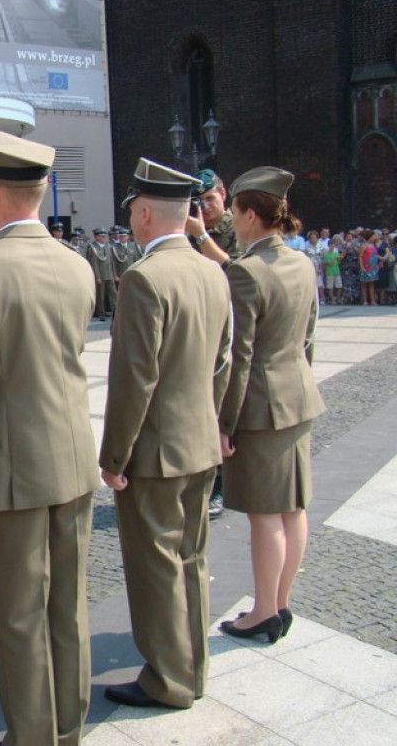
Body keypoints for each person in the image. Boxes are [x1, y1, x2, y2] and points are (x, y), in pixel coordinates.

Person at [0, 130, 98, 746]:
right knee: (68, 610)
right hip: (73, 460)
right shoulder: (77, 264)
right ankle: (67, 728)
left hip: (11, 472)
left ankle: (32, 737)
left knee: (19, 616)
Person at [100, 158, 232, 710]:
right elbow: (223, 362)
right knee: (191, 561)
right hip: (199, 443)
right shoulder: (212, 271)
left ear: (146, 213)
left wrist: (113, 458)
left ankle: (168, 679)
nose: (132, 219)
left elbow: (136, 379)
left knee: (155, 567)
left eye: (134, 209)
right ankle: (193, 670)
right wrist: (210, 423)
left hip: (154, 453)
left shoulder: (144, 278)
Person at [217, 167, 326, 644]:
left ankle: (263, 611)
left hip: (261, 407)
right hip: (297, 397)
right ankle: (280, 602)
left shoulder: (247, 270)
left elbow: (239, 356)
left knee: (265, 514)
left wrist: (226, 421)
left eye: (234, 211)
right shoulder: (302, 262)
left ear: (250, 215)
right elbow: (308, 335)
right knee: (293, 508)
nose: (231, 220)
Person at [193, 168, 240, 257]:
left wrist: (201, 235)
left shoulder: (238, 229)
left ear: (223, 194)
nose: (205, 206)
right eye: (199, 201)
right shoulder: (190, 232)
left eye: (210, 198)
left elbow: (234, 264)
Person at [87, 228, 117, 320]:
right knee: (101, 296)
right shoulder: (93, 248)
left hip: (109, 274)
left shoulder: (107, 246)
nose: (104, 238)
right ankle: (101, 313)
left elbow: (111, 262)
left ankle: (116, 312)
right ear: (97, 237)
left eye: (104, 236)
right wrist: (97, 277)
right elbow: (94, 263)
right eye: (102, 236)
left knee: (114, 294)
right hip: (101, 275)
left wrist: (114, 274)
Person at [359, 231, 379, 305]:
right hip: (365, 267)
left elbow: (375, 255)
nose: (374, 238)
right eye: (373, 236)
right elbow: (360, 256)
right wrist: (361, 267)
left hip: (373, 267)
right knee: (364, 284)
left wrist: (377, 264)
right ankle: (365, 300)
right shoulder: (363, 246)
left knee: (372, 283)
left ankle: (373, 300)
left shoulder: (373, 245)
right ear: (370, 237)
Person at [323, 235, 342, 305]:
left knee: (339, 286)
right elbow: (329, 263)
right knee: (330, 287)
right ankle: (332, 299)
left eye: (333, 245)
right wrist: (335, 258)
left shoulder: (336, 253)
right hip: (329, 272)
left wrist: (339, 258)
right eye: (331, 245)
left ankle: (338, 298)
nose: (332, 247)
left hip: (337, 271)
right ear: (329, 246)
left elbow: (339, 262)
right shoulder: (326, 254)